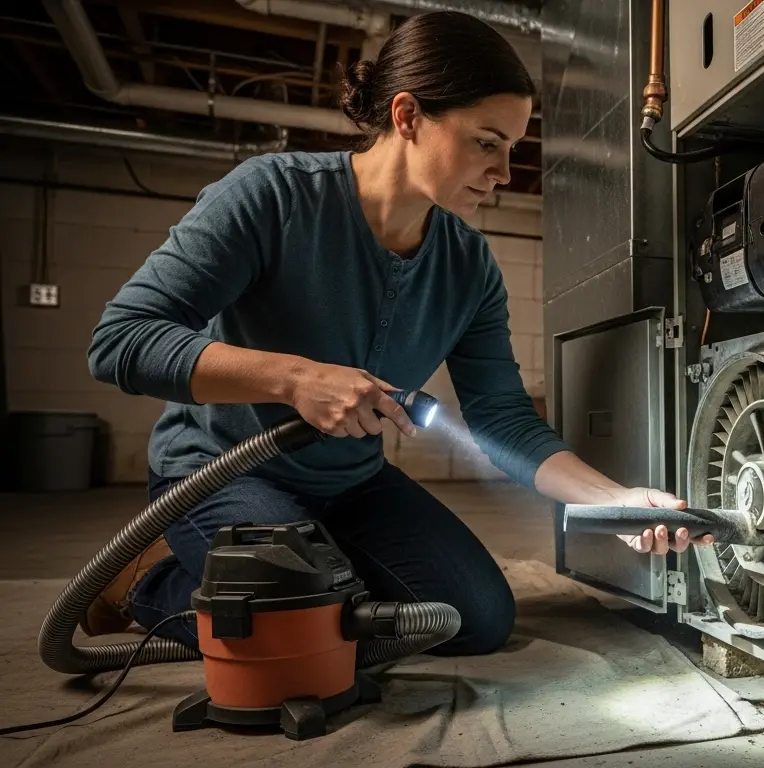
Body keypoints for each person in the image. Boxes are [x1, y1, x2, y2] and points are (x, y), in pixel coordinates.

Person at [82, 11, 712, 661]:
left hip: (349, 483)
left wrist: (615, 501)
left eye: (512, 149)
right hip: (217, 469)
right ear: (408, 116)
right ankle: (144, 582)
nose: (504, 173)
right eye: (487, 142)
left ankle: (308, 574)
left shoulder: (468, 267)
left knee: (477, 620)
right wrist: (294, 378)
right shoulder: (271, 197)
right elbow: (121, 340)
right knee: (304, 630)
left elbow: (502, 420)